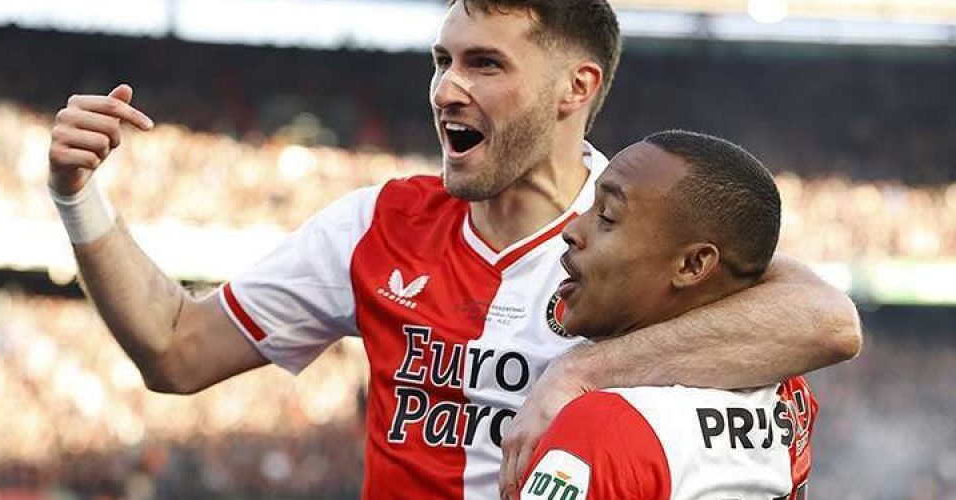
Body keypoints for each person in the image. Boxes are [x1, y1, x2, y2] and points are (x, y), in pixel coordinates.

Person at [46, 0, 859, 497]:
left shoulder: (647, 239)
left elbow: (825, 321)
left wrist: (583, 370)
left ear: (575, 88)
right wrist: (77, 197)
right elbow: (176, 350)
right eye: (442, 60)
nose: (445, 88)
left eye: (483, 63)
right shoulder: (377, 224)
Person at [519, 130, 816, 499]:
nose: (571, 231)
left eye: (607, 217)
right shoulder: (789, 391)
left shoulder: (606, 428)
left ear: (693, 265)